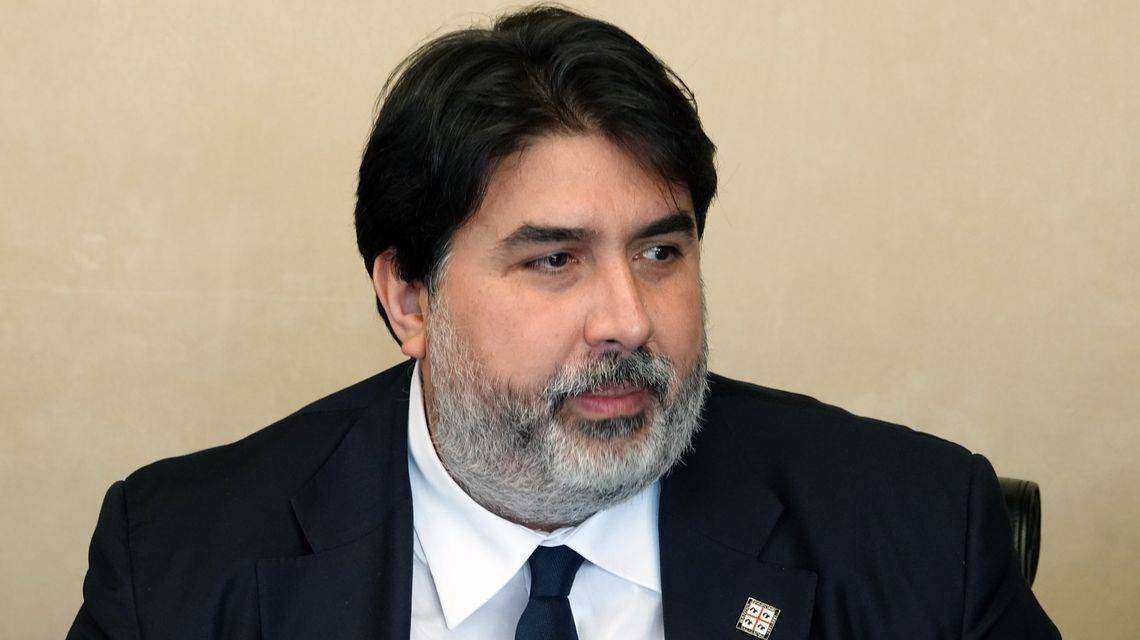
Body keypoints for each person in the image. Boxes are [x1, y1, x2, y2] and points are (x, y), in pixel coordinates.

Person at [67, 5, 1061, 639]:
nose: (628, 320)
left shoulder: (922, 534)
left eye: (661, 253)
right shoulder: (178, 565)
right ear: (409, 298)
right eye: (554, 261)